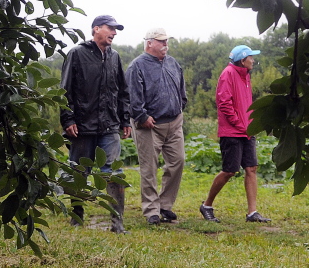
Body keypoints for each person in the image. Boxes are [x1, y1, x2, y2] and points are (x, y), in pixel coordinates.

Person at [59, 15, 132, 233]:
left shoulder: (114, 57)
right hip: (82, 126)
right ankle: (76, 217)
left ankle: (117, 224)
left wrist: (125, 118)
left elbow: (123, 91)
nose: (114, 33)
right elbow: (64, 89)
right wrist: (68, 119)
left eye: (116, 29)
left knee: (114, 173)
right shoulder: (76, 54)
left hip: (110, 125)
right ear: (96, 29)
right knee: (79, 173)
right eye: (111, 28)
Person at [199, 45, 271, 223]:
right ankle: (206, 205)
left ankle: (252, 213)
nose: (253, 60)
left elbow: (247, 104)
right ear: (242, 59)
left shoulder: (246, 75)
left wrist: (251, 124)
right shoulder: (228, 74)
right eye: (251, 57)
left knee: (251, 168)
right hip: (232, 131)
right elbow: (224, 103)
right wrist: (239, 124)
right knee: (230, 170)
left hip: (247, 131)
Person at [126, 28, 187, 225]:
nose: (165, 45)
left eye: (166, 41)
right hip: (149, 125)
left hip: (174, 122)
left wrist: (180, 107)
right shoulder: (137, 66)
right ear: (149, 43)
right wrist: (141, 116)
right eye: (161, 41)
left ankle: (165, 205)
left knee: (178, 161)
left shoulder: (172, 62)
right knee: (149, 168)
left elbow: (181, 88)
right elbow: (132, 96)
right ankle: (151, 210)